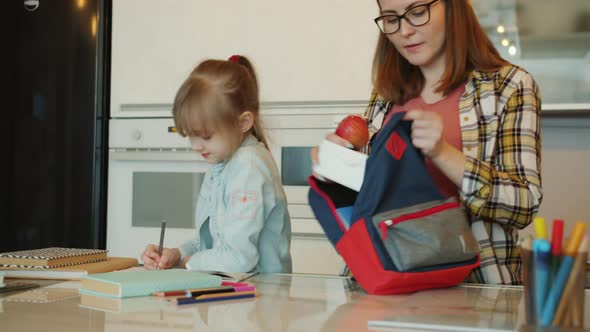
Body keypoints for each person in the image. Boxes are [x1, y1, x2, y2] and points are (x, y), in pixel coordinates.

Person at [313, 0, 542, 284]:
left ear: (453, 8)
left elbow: (524, 204)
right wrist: (336, 170)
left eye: (418, 12)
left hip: (477, 289)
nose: (404, 31)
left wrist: (443, 153)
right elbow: (372, 201)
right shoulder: (385, 96)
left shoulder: (509, 86)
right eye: (390, 19)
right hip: (384, 282)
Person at [142, 55, 292, 273]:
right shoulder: (223, 162)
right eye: (190, 135)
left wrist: (188, 262)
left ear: (243, 123)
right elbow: (215, 242)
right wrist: (178, 254)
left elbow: (239, 259)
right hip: (239, 294)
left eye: (205, 136)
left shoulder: (248, 167)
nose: (195, 146)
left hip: (261, 297)